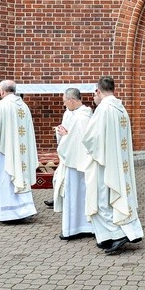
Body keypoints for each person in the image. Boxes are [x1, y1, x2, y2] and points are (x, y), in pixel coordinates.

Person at [80, 76, 144, 255]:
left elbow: (91, 138)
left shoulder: (103, 109)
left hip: (104, 162)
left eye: (95, 93)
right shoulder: (121, 108)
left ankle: (117, 234)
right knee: (116, 197)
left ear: (98, 91)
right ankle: (108, 235)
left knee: (102, 199)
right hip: (118, 161)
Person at [0, 80, 38, 222]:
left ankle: (7, 213)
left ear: (2, 91)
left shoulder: (1, 106)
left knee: (3, 180)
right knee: (19, 177)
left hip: (4, 154)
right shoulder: (24, 106)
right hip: (20, 153)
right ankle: (23, 210)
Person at [51, 88, 95, 240]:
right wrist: (64, 134)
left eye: (64, 101)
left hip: (75, 162)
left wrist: (64, 136)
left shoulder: (80, 118)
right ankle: (86, 226)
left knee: (74, 194)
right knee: (82, 194)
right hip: (81, 162)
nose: (64, 105)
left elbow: (75, 140)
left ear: (71, 100)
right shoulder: (85, 114)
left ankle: (74, 228)